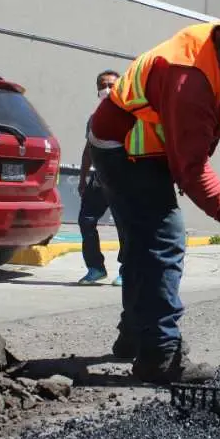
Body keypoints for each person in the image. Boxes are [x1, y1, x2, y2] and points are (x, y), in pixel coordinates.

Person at [85, 0, 220, 385]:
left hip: (151, 148)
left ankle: (135, 336)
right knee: (165, 242)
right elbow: (190, 168)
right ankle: (161, 355)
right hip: (122, 148)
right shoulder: (188, 75)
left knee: (142, 245)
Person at [77, 70, 124, 286]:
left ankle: (127, 269)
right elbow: (89, 149)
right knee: (86, 221)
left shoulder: (129, 115)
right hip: (99, 180)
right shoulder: (93, 119)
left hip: (123, 180)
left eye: (112, 85)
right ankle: (95, 268)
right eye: (103, 85)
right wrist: (83, 178)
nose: (107, 89)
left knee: (126, 225)